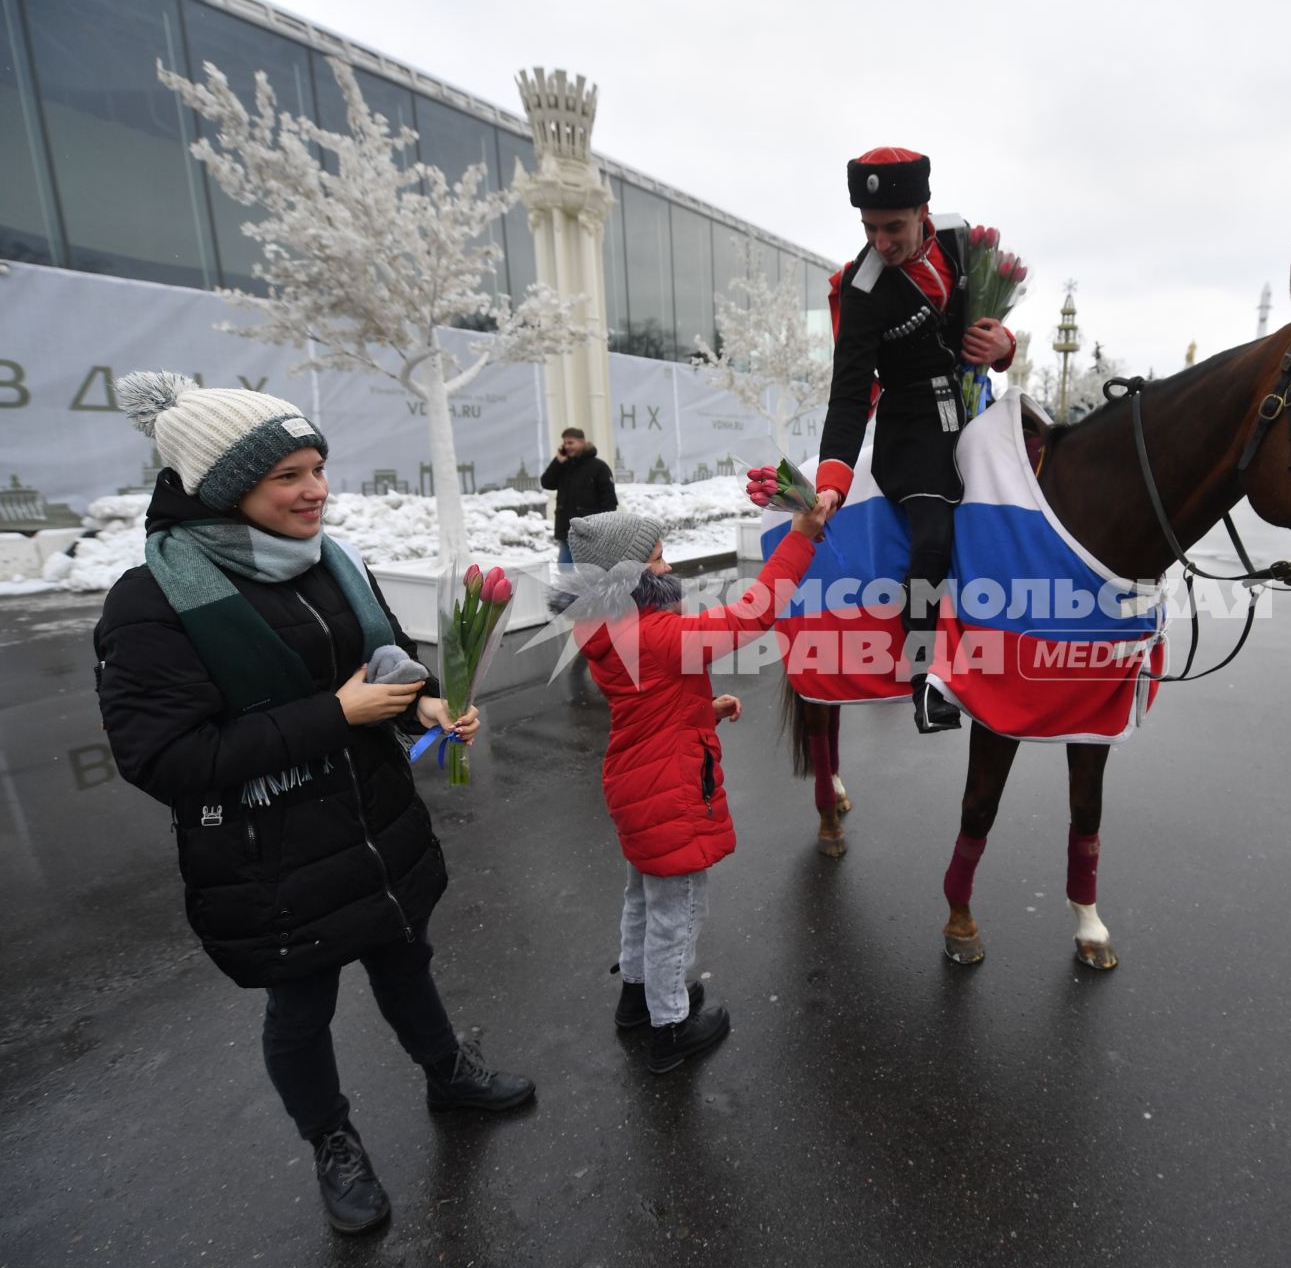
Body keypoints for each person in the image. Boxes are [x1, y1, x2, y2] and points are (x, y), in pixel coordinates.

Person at [93, 373, 533, 1237]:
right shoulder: (152, 603)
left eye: (317, 467)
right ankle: (332, 1139)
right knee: (301, 1009)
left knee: (408, 959)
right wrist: (334, 716)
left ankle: (448, 1073)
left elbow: (390, 665)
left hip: (374, 826)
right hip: (269, 858)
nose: (316, 490)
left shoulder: (333, 562)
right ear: (223, 488)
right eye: (288, 475)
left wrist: (426, 705)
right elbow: (164, 757)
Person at [559, 503, 823, 1073]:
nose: (668, 564)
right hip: (669, 787)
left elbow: (652, 700)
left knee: (643, 898)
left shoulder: (608, 627)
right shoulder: (655, 633)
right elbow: (750, 616)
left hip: (637, 779)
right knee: (678, 910)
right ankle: (671, 1025)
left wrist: (704, 705)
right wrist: (801, 538)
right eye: (655, 558)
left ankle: (638, 997)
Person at [790, 146, 1015, 734]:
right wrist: (833, 482)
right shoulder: (862, 289)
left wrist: (1004, 347)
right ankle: (925, 681)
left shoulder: (965, 240)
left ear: (924, 210)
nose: (880, 242)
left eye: (893, 227)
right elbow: (848, 394)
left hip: (975, 407)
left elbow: (992, 331)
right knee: (935, 535)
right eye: (869, 228)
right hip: (911, 426)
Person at [541, 426, 618, 565]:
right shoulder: (563, 466)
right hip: (566, 531)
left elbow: (609, 502)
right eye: (564, 443)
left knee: (589, 573)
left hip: (589, 533)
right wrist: (557, 461)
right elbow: (546, 483)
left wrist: (602, 528)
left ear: (582, 442)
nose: (567, 446)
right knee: (565, 571)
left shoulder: (599, 467)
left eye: (571, 443)